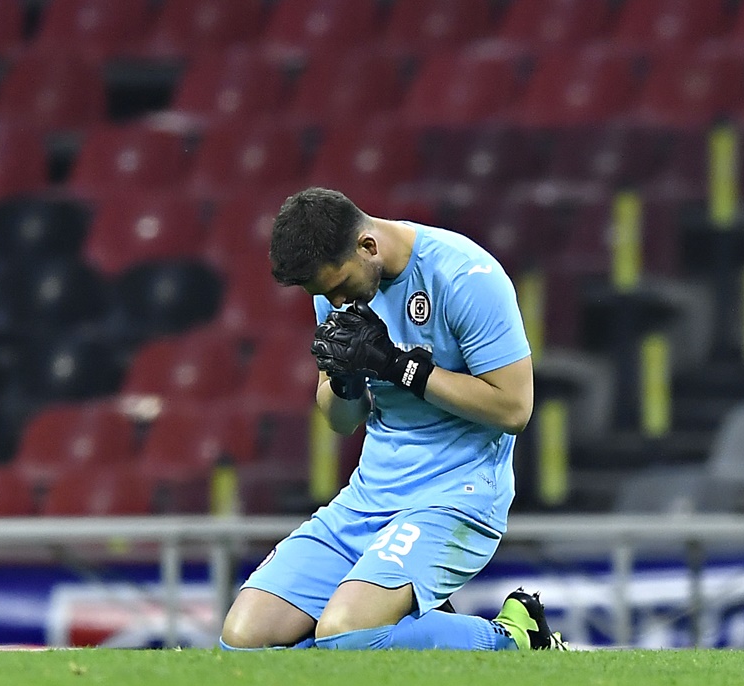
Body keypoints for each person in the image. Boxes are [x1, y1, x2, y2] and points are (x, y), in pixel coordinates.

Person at [219, 186, 564, 651]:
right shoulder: (336, 291)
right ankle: (402, 632)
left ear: (367, 246)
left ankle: (517, 638)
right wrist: (343, 381)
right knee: (244, 639)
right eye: (323, 294)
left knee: (347, 633)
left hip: (457, 494)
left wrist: (395, 366)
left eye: (338, 287)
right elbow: (341, 420)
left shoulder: (465, 276)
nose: (335, 302)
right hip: (370, 495)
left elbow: (515, 409)